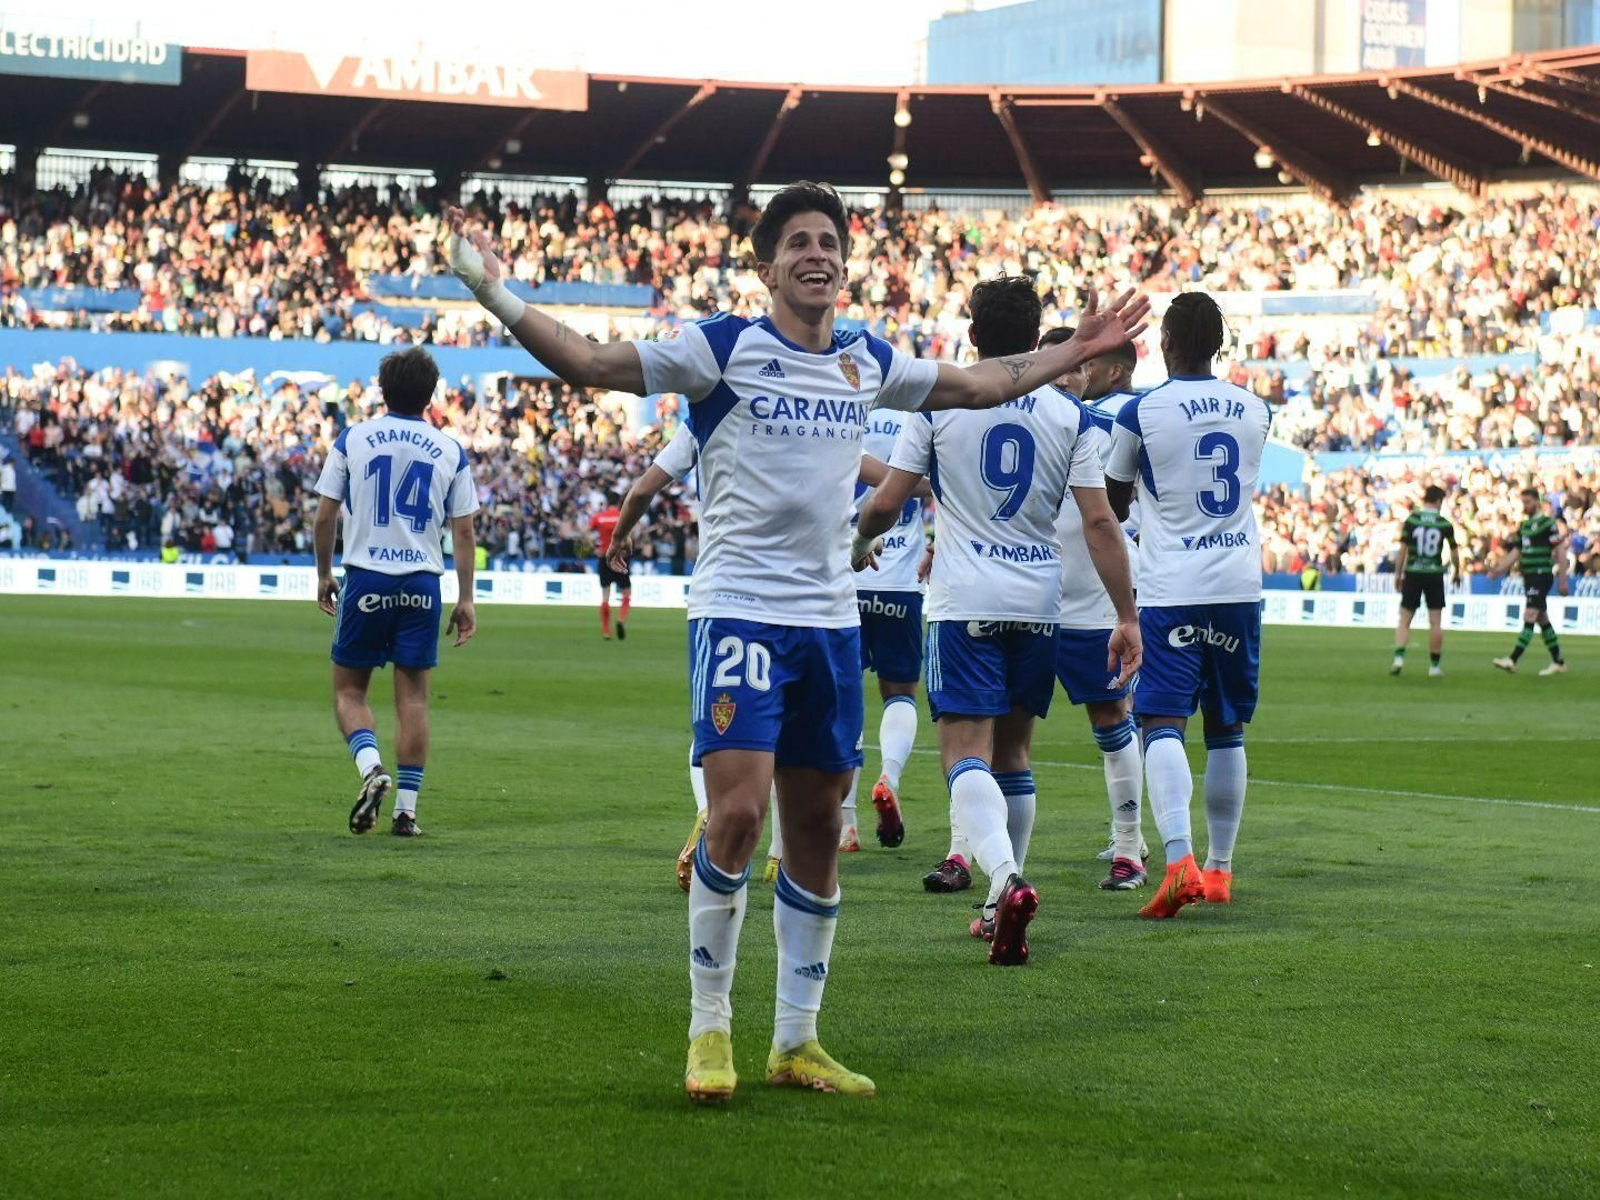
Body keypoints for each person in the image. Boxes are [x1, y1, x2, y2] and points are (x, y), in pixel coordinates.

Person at [446, 183, 1146, 1102]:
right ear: (768, 266)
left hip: (827, 618)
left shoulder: (864, 357)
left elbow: (978, 383)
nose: (819, 255)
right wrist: (493, 291)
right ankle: (708, 1031)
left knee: (816, 828)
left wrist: (1071, 352)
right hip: (739, 610)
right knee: (737, 816)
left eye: (831, 242)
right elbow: (589, 360)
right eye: (800, 243)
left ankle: (795, 1042)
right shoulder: (722, 347)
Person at [855, 276, 1142, 965]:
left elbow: (889, 500)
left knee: (963, 755)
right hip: (1038, 605)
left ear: (975, 333)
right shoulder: (1070, 415)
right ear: (1033, 332)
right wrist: (1126, 615)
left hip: (964, 603)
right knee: (1014, 757)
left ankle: (1006, 877)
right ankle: (995, 904)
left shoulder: (940, 400)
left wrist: (860, 543)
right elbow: (1101, 521)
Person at [1103, 292, 1271, 919]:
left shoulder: (1142, 412)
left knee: (1160, 722)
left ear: (1166, 342)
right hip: (1238, 585)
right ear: (1219, 345)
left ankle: (1179, 863)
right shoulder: (1256, 409)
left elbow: (1114, 503)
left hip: (1174, 587)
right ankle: (1222, 869)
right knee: (1227, 727)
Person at [312, 347, 479, 839]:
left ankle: (370, 769)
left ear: (382, 390)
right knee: (413, 702)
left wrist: (323, 573)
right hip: (422, 581)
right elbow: (464, 531)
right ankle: (406, 811)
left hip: (366, 576)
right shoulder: (450, 449)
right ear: (431, 394)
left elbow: (325, 516)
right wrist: (466, 598)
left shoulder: (354, 439)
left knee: (348, 691)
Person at [1044, 327, 1149, 889]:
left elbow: (1114, 513)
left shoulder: (1109, 419)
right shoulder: (1031, 414)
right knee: (996, 735)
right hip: (1032, 594)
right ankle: (971, 855)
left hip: (1090, 597)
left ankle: (1129, 846)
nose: (1064, 375)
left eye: (1073, 366)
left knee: (1110, 721)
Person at [842, 406, 928, 855]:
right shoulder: (917, 423)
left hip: (848, 577)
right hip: (900, 583)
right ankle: (888, 776)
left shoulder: (845, 416)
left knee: (844, 693)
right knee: (901, 694)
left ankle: (846, 826)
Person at [1493, 487, 1570, 675]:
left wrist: (1562, 579)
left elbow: (1560, 550)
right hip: (1529, 577)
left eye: (1528, 502)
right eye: (1523, 502)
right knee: (1542, 619)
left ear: (1537, 501)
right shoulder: (1525, 526)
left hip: (1541, 574)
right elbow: (1516, 552)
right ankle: (1558, 662)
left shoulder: (1547, 523)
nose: (1525, 506)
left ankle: (1512, 659)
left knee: (1529, 615)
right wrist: (1499, 569)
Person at [1390, 485, 1458, 677]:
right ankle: (1434, 667)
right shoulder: (1444, 523)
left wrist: (1398, 574)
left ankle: (1399, 658)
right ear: (1438, 501)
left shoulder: (1412, 519)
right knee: (1435, 621)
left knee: (1405, 618)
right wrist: (1457, 571)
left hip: (1413, 572)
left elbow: (1403, 549)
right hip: (1434, 574)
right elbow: (1454, 551)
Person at [589, 494, 632, 640]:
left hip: (604, 557)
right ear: (619, 502)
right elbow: (629, 537)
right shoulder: (622, 516)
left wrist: (591, 546)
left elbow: (584, 530)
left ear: (607, 502)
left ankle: (606, 632)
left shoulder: (600, 517)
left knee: (605, 595)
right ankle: (621, 619)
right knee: (626, 593)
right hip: (620, 557)